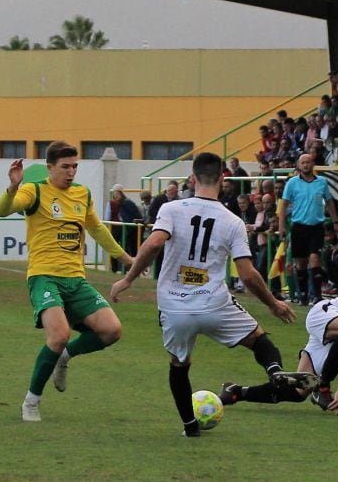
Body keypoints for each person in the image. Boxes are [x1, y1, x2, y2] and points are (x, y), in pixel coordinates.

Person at [109, 152, 306, 437]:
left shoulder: (171, 209)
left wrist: (128, 278)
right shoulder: (233, 221)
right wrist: (273, 303)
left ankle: (190, 427)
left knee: (179, 365)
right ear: (223, 178)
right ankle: (275, 373)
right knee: (258, 340)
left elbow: (153, 244)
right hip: (214, 303)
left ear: (192, 177)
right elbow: (248, 274)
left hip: (174, 308)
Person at [0, 141, 134, 422]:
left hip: (75, 280)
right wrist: (12, 187)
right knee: (58, 335)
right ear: (50, 168)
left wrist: (126, 258)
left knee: (111, 331)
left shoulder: (82, 194)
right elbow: (2, 210)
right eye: (65, 167)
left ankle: (64, 357)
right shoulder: (33, 191)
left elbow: (95, 228)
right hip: (44, 277)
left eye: (74, 167)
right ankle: (31, 402)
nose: (71, 172)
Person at [276, 152, 336, 305]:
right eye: (303, 162)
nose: (306, 165)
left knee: (315, 260)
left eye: (308, 162)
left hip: (316, 226)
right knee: (300, 263)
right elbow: (283, 204)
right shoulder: (292, 183)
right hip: (299, 227)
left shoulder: (321, 182)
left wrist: (335, 221)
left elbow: (329, 201)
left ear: (313, 164)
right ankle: (302, 294)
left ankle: (316, 295)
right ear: (298, 165)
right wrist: (281, 225)